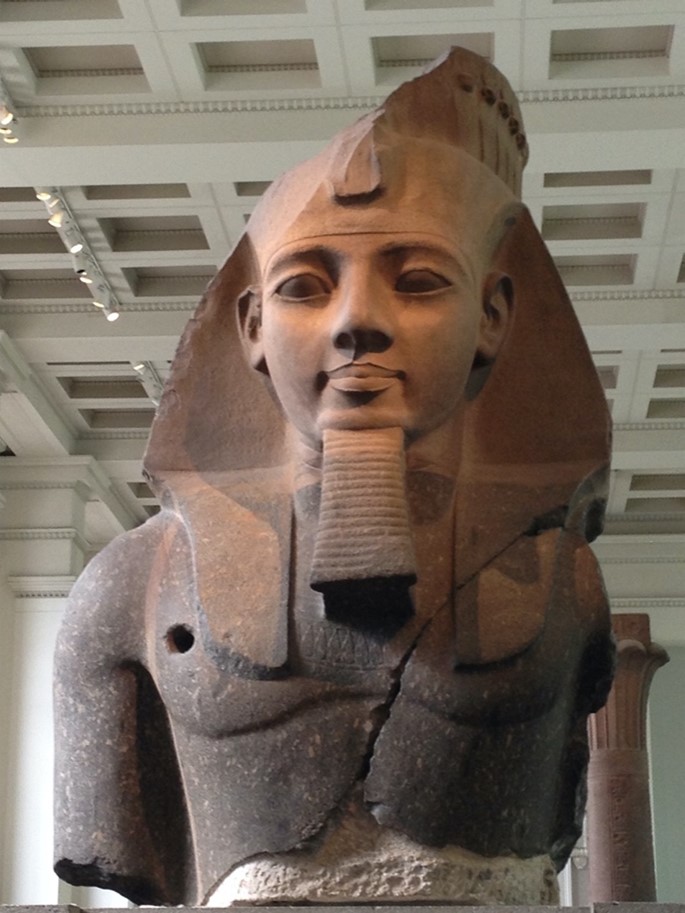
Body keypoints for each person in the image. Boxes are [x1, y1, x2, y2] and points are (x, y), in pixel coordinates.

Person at [53, 47, 614, 907]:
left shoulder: (565, 582)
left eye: (417, 281)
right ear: (250, 325)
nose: (357, 322)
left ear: (492, 316)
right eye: (306, 286)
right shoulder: (130, 588)